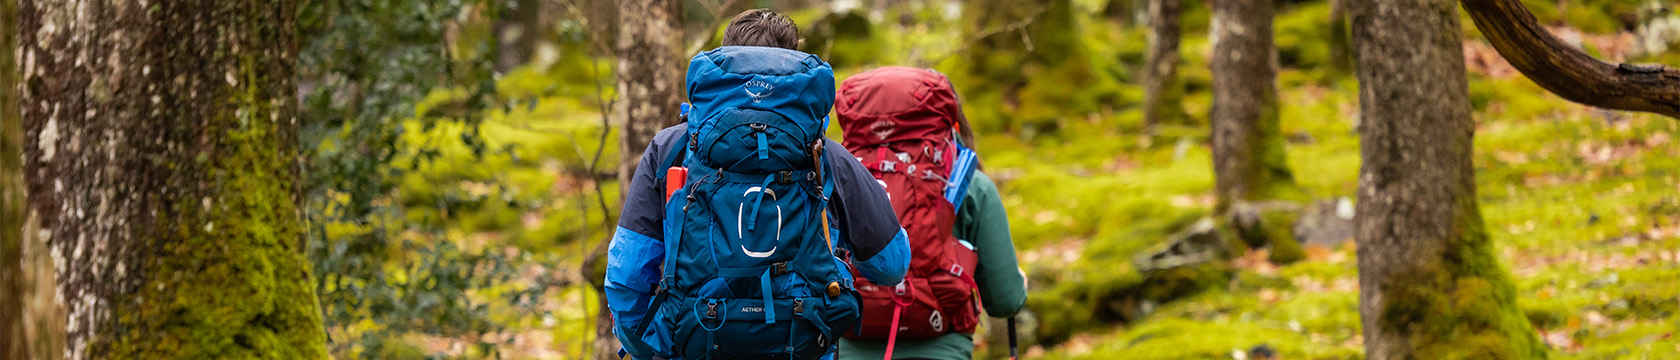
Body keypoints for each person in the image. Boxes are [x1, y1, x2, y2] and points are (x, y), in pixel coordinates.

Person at [605, 9, 911, 360]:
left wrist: (651, 348)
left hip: (694, 341)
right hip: (802, 342)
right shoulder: (826, 157)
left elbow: (627, 272)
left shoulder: (671, 149)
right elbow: (891, 265)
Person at [832, 67, 1027, 360]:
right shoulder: (968, 183)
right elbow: (1005, 301)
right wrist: (1018, 284)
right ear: (948, 119)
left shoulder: (833, 176)